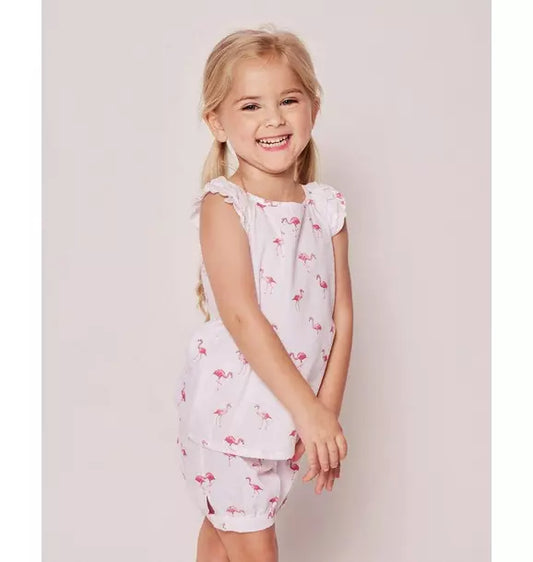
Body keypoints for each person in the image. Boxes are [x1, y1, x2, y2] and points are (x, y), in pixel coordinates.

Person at [176, 25, 354, 562]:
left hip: (289, 418)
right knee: (254, 545)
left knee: (222, 538)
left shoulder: (325, 209)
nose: (273, 119)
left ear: (313, 108)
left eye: (288, 100)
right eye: (251, 105)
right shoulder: (226, 204)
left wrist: (324, 413)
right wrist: (309, 411)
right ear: (217, 122)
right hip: (233, 418)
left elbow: (343, 316)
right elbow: (241, 315)